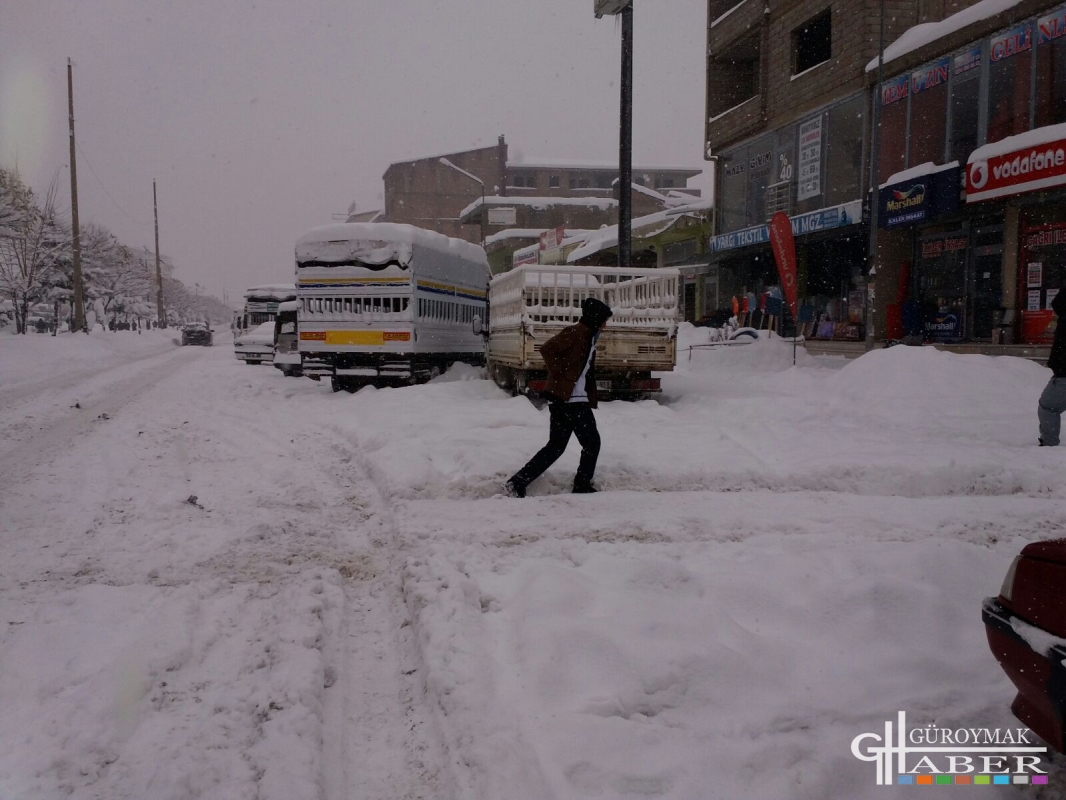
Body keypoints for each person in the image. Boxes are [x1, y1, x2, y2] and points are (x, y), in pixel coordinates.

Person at [505, 297, 613, 497]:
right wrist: (562, 375)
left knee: (556, 447)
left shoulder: (589, 336)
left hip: (568, 400)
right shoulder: (575, 333)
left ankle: (517, 482)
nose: (605, 325)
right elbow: (547, 350)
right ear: (596, 318)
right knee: (591, 443)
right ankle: (581, 485)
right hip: (570, 401)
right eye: (604, 320)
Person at [1038, 290, 1066, 446]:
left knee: (1048, 407)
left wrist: (1056, 366)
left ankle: (1049, 444)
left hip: (1063, 376)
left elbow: (1061, 351)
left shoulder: (1064, 322)